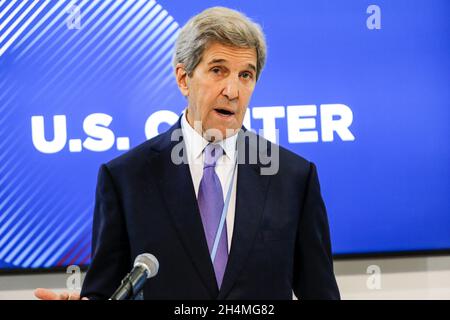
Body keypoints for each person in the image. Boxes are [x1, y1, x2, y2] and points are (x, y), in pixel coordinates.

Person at [35, 6, 340, 300]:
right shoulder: (125, 178)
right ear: (183, 78)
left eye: (245, 75)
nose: (233, 91)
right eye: (218, 70)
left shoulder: (294, 177)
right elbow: (107, 291)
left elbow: (320, 291)